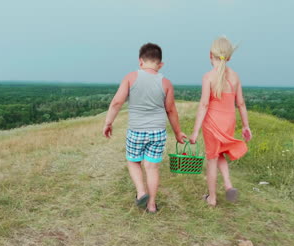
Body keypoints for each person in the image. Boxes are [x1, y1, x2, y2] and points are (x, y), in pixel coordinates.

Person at [103, 43, 187, 213]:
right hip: (157, 132)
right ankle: (152, 205)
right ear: (160, 64)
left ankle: (141, 192)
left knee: (133, 161)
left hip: (136, 131)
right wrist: (178, 132)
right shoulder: (166, 83)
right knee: (152, 167)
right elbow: (171, 109)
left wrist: (108, 122)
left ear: (140, 61)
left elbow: (117, 102)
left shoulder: (130, 77)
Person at [189, 36, 252, 207]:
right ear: (229, 57)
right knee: (221, 151)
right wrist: (246, 126)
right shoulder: (235, 76)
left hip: (212, 122)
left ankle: (212, 198)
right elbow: (241, 103)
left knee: (212, 159)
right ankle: (228, 184)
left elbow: (203, 105)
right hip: (228, 121)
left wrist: (195, 132)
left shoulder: (208, 77)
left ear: (210, 54)